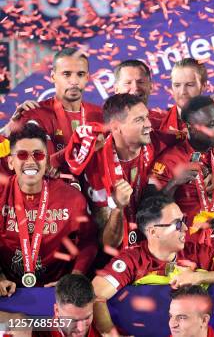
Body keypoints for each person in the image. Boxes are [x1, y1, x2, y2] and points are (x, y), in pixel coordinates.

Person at [91, 194, 214, 336]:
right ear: (153, 232)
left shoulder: (199, 252)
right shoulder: (132, 259)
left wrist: (199, 277)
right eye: (176, 224)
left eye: (183, 221)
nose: (185, 228)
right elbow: (95, 295)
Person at [64, 93, 179, 249]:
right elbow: (109, 243)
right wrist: (117, 207)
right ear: (116, 127)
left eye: (146, 117)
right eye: (139, 120)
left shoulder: (157, 141)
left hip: (153, 244)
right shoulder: (97, 167)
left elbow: (199, 136)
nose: (148, 124)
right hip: (114, 255)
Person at [0, 124, 97, 292]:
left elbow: (88, 242)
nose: (31, 162)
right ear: (10, 162)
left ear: (46, 160)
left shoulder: (72, 198)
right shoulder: (1, 194)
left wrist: (74, 277)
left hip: (56, 291)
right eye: (22, 155)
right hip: (8, 290)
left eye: (38, 155)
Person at [150, 96, 214, 253]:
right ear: (190, 127)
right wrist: (174, 183)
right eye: (211, 125)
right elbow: (151, 212)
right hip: (185, 254)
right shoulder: (169, 160)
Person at [3, 48, 103, 156]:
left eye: (80, 74)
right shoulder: (35, 113)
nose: (74, 81)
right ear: (53, 77)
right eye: (66, 74)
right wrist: (10, 127)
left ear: (87, 77)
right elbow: (7, 155)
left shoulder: (100, 115)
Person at [158, 58, 214, 150]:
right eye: (177, 85)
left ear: (204, 86)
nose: (182, 92)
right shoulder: (157, 123)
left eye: (190, 85)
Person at [34, 273, 99, 337]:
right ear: (57, 311)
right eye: (73, 320)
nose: (81, 329)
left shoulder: (102, 328)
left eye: (87, 318)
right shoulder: (39, 333)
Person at [113, 59, 166, 129]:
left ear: (150, 86)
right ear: (116, 89)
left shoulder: (164, 123)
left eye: (141, 82)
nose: (135, 87)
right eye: (128, 83)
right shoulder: (103, 125)